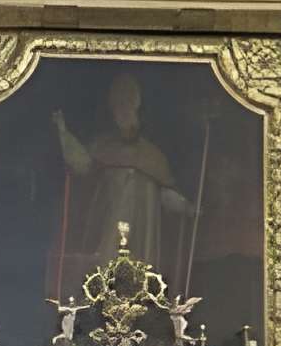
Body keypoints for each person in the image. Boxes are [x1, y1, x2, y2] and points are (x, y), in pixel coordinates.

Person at [53, 74, 188, 274]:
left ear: (137, 106)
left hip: (142, 232)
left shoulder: (152, 154)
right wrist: (63, 133)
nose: (122, 110)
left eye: (127, 103)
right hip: (109, 227)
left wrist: (184, 205)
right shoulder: (102, 146)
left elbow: (166, 193)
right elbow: (82, 164)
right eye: (118, 105)